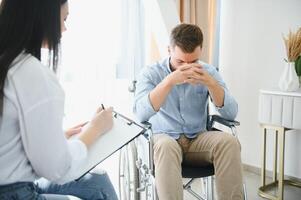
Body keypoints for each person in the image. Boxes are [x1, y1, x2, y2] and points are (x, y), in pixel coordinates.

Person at [0, 0, 118, 199]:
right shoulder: (29, 73)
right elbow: (59, 170)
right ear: (43, 17)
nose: (64, 28)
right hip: (13, 192)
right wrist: (95, 129)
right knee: (97, 188)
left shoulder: (8, 63)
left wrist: (57, 137)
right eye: (64, 18)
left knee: (96, 183)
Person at [134, 23, 243, 200]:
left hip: (197, 139)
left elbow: (231, 113)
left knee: (229, 142)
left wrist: (211, 84)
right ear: (169, 50)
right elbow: (140, 114)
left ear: (201, 51)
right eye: (180, 62)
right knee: (166, 146)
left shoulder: (208, 72)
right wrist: (168, 82)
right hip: (164, 138)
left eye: (193, 62)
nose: (187, 67)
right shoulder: (151, 73)